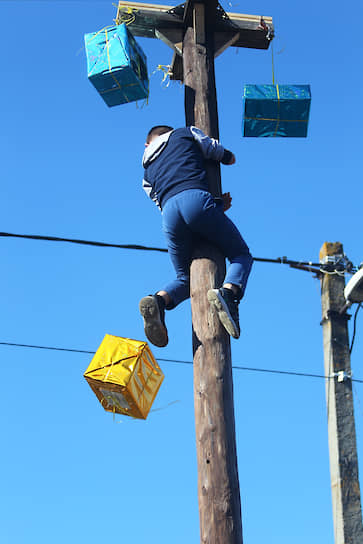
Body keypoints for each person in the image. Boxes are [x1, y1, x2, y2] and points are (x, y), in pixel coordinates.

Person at [139, 125, 253, 347]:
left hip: (170, 215)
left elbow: (157, 198)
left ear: (147, 144)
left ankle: (159, 301)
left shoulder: (146, 169)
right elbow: (211, 148)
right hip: (196, 199)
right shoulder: (184, 133)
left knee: (185, 278)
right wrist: (228, 156)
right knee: (241, 255)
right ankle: (228, 293)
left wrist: (215, 206)